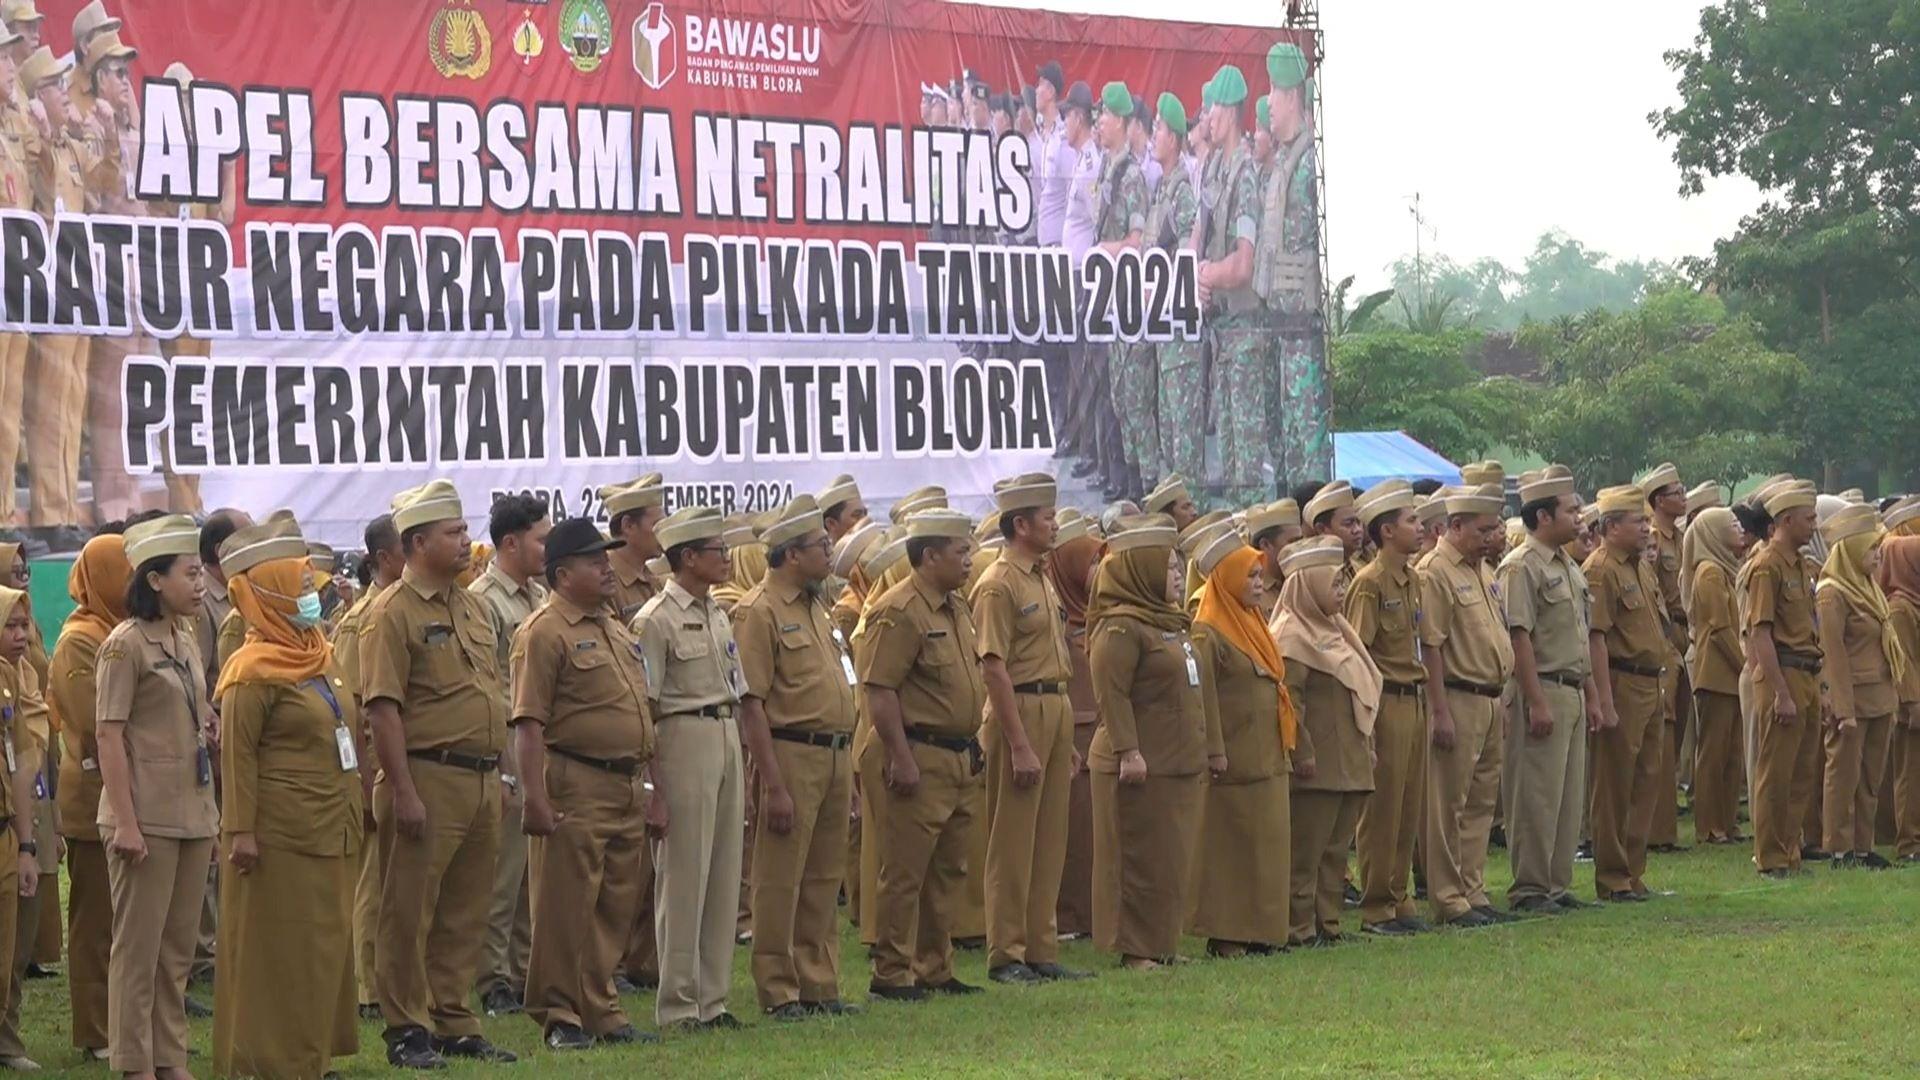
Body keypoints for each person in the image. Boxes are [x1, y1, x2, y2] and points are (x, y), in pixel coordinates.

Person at [361, 481, 515, 1068]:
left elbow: (489, 691)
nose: (465, 540)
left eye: (463, 529)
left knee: (465, 907)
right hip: (426, 775)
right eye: (453, 533)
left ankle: (454, 1018)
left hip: (477, 777)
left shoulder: (470, 604)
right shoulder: (391, 613)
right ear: (418, 542)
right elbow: (382, 708)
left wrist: (499, 773)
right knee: (409, 908)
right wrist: (402, 790)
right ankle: (406, 1027)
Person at [209, 517, 362, 1078]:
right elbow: (238, 757)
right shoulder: (252, 670)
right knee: (280, 951)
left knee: (322, 951)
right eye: (298, 586)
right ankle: (270, 1061)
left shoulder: (316, 650)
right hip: (280, 835)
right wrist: (242, 832)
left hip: (331, 825)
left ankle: (311, 1058)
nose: (310, 595)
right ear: (269, 591)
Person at [512, 517, 657, 1050]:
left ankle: (600, 1008)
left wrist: (653, 786)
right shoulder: (543, 632)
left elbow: (643, 709)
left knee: (615, 902)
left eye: (606, 558)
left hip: (624, 783)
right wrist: (535, 798)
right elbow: (528, 724)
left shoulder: (615, 626)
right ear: (562, 573)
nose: (606, 568)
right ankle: (560, 1015)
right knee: (566, 904)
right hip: (575, 780)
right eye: (595, 561)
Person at [95, 515, 217, 1080]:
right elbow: (108, 733)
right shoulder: (125, 646)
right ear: (154, 580)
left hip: (192, 810)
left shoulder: (184, 638)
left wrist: (208, 722)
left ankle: (170, 1058)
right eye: (190, 574)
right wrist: (125, 822)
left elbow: (188, 710)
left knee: (177, 953)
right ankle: (133, 1062)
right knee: (138, 950)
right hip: (144, 813)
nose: (200, 584)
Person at [733, 496, 863, 1019]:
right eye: (820, 546)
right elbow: (752, 704)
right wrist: (773, 784)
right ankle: (778, 988)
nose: (829, 552)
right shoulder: (758, 612)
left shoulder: (818, 607)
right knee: (779, 876)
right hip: (789, 754)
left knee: (823, 875)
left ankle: (818, 983)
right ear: (790, 555)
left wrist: (848, 773)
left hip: (833, 754)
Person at [855, 508, 987, 1000]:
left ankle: (935, 966)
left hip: (956, 755)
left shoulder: (955, 606)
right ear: (930, 556)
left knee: (949, 868)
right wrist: (899, 756)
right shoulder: (900, 609)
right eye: (961, 552)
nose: (969, 560)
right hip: (917, 751)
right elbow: (880, 690)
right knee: (906, 869)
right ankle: (890, 973)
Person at [1086, 515, 1220, 969]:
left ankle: (1162, 944)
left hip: (1175, 758)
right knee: (1139, 859)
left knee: (1170, 858)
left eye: (1180, 567)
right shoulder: (1121, 626)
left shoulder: (1169, 621)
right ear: (1141, 570)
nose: (1179, 576)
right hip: (1140, 762)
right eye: (1168, 567)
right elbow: (1112, 693)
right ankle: (1137, 949)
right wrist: (1128, 750)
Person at [970, 475, 1087, 984]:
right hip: (1019, 708)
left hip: (1054, 707)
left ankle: (1041, 947)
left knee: (1049, 837)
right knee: (1012, 841)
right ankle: (1007, 953)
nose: (1054, 524)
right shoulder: (999, 583)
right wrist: (1019, 743)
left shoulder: (1040, 576)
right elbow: (994, 667)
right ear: (1021, 524)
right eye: (1046, 517)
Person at [633, 506, 746, 1032]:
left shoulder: (719, 612)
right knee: (683, 876)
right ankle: (679, 1005)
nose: (727, 558)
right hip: (681, 737)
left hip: (724, 731)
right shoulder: (655, 618)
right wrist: (653, 783)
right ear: (689, 558)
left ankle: (713, 1000)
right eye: (716, 550)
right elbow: (647, 708)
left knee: (723, 871)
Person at [21, 44, 114, 551]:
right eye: (54, 86)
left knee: (71, 396)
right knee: (44, 403)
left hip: (73, 281)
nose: (63, 93)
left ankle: (58, 510)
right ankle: (44, 509)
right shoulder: (34, 141)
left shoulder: (66, 144)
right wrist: (42, 134)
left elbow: (104, 182)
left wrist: (106, 133)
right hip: (38, 281)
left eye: (62, 85)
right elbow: (35, 190)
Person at [1498, 468, 1601, 914]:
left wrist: (1593, 694)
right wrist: (1535, 698)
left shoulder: (1567, 565)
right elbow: (1519, 636)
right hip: (1543, 686)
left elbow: (1580, 634)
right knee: (1536, 793)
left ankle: (1557, 884)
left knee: (1567, 795)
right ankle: (1531, 887)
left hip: (1572, 687)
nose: (1579, 518)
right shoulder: (1522, 566)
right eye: (1570, 510)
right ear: (1543, 517)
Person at [1189, 527, 1292, 955]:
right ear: (1228, 578)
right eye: (1249, 577)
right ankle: (1228, 935)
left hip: (1266, 754)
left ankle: (1261, 931)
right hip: (1232, 757)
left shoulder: (1254, 621)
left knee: (1265, 846)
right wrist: (1215, 748)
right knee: (1230, 846)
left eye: (1258, 577)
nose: (1258, 585)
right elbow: (1204, 697)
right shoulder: (1208, 630)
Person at [49, 532, 131, 1062]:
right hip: (93, 796)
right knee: (95, 922)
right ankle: (96, 1031)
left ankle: (122, 1023)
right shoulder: (81, 639)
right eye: (123, 571)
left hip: (124, 790)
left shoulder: (119, 631)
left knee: (124, 920)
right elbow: (91, 722)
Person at [1416, 484, 1513, 927]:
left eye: (1493, 528)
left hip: (1490, 699)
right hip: (1457, 696)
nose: (1491, 537)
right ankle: (1448, 896)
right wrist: (1439, 710)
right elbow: (1430, 645)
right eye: (1482, 529)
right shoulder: (1435, 571)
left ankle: (1473, 890)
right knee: (1447, 805)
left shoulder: (1481, 569)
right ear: (1455, 527)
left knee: (1481, 803)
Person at [1274, 537, 1378, 945]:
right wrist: (1303, 752)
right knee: (1306, 851)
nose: (1340, 593)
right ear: (1310, 586)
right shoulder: (1290, 637)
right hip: (1316, 763)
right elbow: (1290, 704)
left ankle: (1328, 925)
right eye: (1333, 584)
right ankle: (1297, 928)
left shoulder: (1336, 630)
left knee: (1335, 851)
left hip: (1348, 758)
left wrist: (1366, 746)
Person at [470, 495, 551, 1018]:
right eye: (540, 538)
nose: (547, 547)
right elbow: (489, 682)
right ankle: (491, 976)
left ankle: (523, 970)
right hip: (505, 742)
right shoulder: (484, 600)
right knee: (501, 873)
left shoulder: (540, 594)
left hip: (540, 741)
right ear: (510, 543)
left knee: (531, 873)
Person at [1582, 485, 1674, 902]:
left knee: (1646, 781)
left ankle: (1634, 872)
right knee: (1614, 785)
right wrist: (1602, 699)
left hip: (1650, 683)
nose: (1646, 528)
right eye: (1637, 521)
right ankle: (1613, 877)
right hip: (1620, 682)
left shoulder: (1639, 567)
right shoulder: (1601, 569)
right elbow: (1595, 638)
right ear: (1611, 526)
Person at [1345, 480, 1428, 934]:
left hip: (1413, 699)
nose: (1419, 528)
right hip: (1386, 701)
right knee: (1382, 810)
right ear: (1386, 531)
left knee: (1408, 805)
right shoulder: (1370, 583)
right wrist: (1368, 720)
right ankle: (1376, 904)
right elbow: (1359, 654)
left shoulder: (1414, 579)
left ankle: (1399, 897)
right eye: (1411, 521)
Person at [334, 513, 403, 1021]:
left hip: (406, 764)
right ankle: (369, 987)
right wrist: (362, 777)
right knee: (373, 883)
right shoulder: (363, 620)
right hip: (375, 767)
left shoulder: (406, 610)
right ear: (384, 558)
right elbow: (354, 707)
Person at [1256, 42, 1332, 486]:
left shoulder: (1306, 163)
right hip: (1278, 326)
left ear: (1290, 97)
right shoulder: (1283, 161)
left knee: (1306, 441)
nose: (1267, 102)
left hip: (1300, 327)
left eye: (1272, 92)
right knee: (1283, 439)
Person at [1739, 482, 1823, 878]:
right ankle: (1769, 856)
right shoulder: (1766, 565)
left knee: (1802, 770)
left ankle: (1790, 850)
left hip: (1806, 671)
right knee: (1776, 771)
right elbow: (1760, 633)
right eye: (1808, 519)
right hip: (1783, 673)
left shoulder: (1801, 565)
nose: (1814, 526)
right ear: (1785, 521)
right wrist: (1780, 692)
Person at [1815, 504, 1901, 868]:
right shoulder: (1832, 592)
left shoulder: (1867, 586)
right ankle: (1839, 846)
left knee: (1871, 776)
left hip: (1880, 695)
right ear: (1850, 551)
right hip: (1854, 698)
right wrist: (1843, 710)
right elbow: (1832, 655)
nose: (1877, 555)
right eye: (1870, 548)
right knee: (1843, 774)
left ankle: (1863, 846)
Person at [1195, 64, 1266, 506]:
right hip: (1221, 329)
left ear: (1230, 110)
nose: (1206, 115)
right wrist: (1198, 274)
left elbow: (1242, 264)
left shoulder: (1244, 176)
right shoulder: (1215, 169)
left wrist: (1207, 275)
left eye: (1212, 107)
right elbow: (1200, 236)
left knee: (1246, 454)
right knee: (1229, 447)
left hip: (1243, 330)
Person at [1045, 510, 1102, 940]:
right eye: (1091, 562)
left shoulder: (1101, 615)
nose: (1099, 571)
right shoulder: (1055, 617)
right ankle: (1067, 918)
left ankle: (1090, 914)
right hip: (1069, 733)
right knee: (1071, 832)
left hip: (1097, 733)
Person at [1143, 93, 1203, 484]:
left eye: (1160, 129)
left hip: (1180, 334)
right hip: (1164, 333)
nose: (1154, 135)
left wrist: (1158, 290)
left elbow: (1186, 259)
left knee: (1184, 441)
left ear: (1176, 139)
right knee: (1170, 432)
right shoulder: (1163, 188)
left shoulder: (1180, 192)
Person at [1095, 83, 1150, 499]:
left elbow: (1136, 241)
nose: (1099, 122)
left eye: (1104, 116)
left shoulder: (1131, 176)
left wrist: (1103, 250)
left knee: (1134, 402)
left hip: (1129, 302)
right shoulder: (1107, 169)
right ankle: (1126, 483)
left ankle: (1140, 489)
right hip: (1110, 301)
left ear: (1121, 121)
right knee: (1117, 396)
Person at [0, 583, 47, 1072]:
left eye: (23, 627)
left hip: (8, 832)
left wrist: (27, 844)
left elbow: (19, 766)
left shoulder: (12, 681)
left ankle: (6, 1039)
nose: (19, 636)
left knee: (9, 949)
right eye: (9, 626)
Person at [1682, 507, 1747, 845]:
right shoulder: (1708, 573)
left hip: (1730, 673)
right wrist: (1746, 665)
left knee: (1733, 752)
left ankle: (1728, 821)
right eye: (1732, 525)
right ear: (1715, 534)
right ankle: (1709, 826)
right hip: (1717, 672)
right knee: (1713, 752)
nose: (1739, 529)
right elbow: (1719, 629)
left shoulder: (1726, 570)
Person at [1875, 536, 1920, 862]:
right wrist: (1913, 703)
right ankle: (1910, 843)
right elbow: (1904, 663)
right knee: (1910, 772)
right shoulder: (1901, 608)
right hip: (1913, 705)